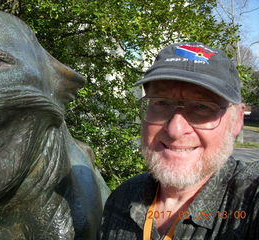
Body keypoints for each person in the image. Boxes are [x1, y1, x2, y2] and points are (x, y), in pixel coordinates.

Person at [98, 42, 259, 239]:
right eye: (162, 103)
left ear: (237, 120)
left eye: (202, 107)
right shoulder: (122, 199)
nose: (175, 129)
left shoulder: (249, 199)